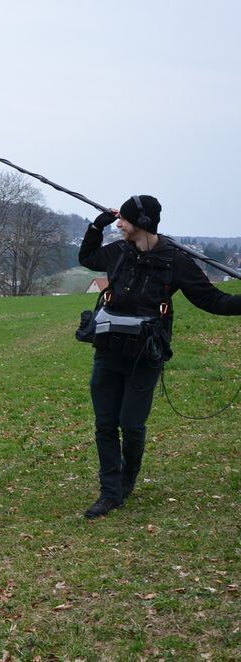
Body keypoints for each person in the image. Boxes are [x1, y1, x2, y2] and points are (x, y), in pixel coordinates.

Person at [79, 195, 241, 519]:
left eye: (123, 220)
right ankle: (110, 493)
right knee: (105, 424)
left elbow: (212, 300)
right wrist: (98, 225)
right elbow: (87, 257)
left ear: (140, 224)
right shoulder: (117, 252)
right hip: (108, 351)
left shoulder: (175, 261)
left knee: (132, 424)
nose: (119, 224)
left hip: (145, 356)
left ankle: (127, 478)